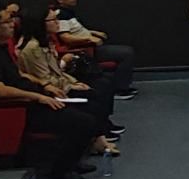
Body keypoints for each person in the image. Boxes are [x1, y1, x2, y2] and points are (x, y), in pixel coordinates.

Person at [0, 4, 100, 179]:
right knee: (84, 122)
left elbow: (18, 74)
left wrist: (44, 85)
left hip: (32, 98)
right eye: (7, 21)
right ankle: (62, 170)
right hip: (18, 109)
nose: (13, 24)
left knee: (90, 105)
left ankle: (73, 161)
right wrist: (38, 97)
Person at [18, 9, 123, 152]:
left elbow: (58, 72)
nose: (57, 23)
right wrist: (70, 86)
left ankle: (100, 135)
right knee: (93, 99)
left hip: (60, 84)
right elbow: (45, 79)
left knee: (100, 87)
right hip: (51, 92)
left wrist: (74, 82)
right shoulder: (33, 48)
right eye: (52, 20)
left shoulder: (45, 43)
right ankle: (98, 139)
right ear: (41, 24)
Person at [52, 0, 137, 100]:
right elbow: (66, 37)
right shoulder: (61, 15)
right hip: (85, 50)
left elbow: (75, 31)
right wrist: (89, 38)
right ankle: (119, 90)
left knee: (126, 51)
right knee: (127, 53)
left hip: (90, 46)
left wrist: (93, 32)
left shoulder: (68, 12)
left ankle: (121, 86)